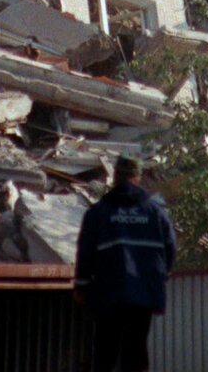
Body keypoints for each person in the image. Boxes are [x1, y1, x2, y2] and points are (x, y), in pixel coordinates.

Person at [74, 154, 177, 372]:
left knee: (105, 355)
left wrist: (82, 286)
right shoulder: (156, 213)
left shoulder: (98, 213)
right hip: (143, 297)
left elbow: (85, 253)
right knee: (137, 353)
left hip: (107, 296)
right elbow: (170, 250)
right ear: (138, 177)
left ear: (115, 176)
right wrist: (158, 280)